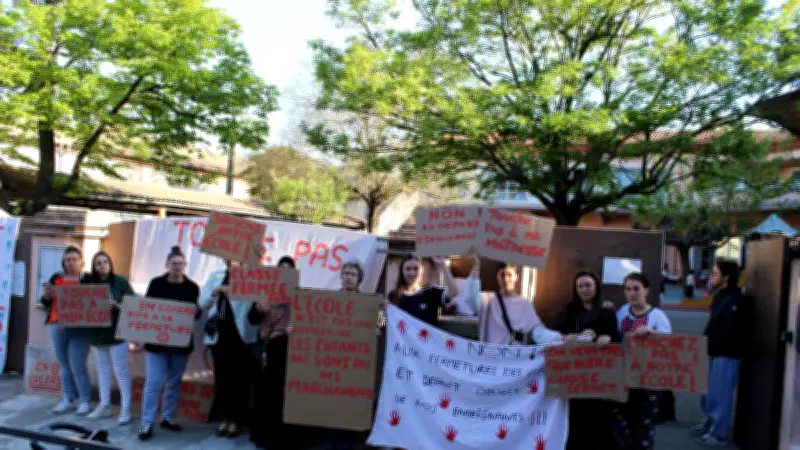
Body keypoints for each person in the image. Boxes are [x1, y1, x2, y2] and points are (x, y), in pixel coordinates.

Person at [139, 246, 201, 441]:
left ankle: (167, 417)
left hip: (180, 345)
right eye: (174, 264)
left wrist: (195, 311)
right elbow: (147, 309)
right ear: (167, 265)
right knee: (154, 382)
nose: (177, 267)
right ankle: (146, 422)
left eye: (180, 264)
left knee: (173, 382)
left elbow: (195, 313)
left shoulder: (192, 287)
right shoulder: (156, 283)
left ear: (185, 266)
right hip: (156, 345)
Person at [557, 270, 621, 450]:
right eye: (580, 286)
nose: (584, 289)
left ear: (596, 287)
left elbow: (616, 340)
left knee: (600, 423)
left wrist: (608, 338)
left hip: (600, 380)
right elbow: (559, 334)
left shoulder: (607, 311)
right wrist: (571, 337)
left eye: (588, 285)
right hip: (576, 378)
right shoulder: (571, 311)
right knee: (576, 423)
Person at [613, 272, 672, 450]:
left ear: (646, 290)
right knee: (621, 430)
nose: (632, 293)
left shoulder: (658, 316)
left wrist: (654, 335)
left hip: (648, 384)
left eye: (636, 288)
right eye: (628, 289)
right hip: (624, 380)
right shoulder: (621, 312)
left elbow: (671, 348)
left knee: (643, 430)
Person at [201, 260, 259, 439]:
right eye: (228, 256)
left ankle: (235, 421)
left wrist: (230, 291)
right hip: (219, 337)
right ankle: (225, 418)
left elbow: (253, 299)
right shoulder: (215, 276)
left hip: (240, 337)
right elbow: (203, 303)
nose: (231, 259)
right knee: (222, 380)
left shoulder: (251, 276)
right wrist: (216, 291)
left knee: (239, 381)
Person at [693, 261, 748, 447]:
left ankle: (719, 433)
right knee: (708, 393)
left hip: (727, 353)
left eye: (715, 273)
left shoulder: (735, 299)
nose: (711, 277)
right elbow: (713, 325)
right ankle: (710, 422)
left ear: (726, 277)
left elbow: (730, 330)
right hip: (713, 351)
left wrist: (712, 344)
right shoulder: (720, 297)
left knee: (721, 395)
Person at [460, 251, 563, 345]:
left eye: (509, 275)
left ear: (516, 276)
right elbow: (471, 299)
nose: (505, 279)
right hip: (491, 357)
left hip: (513, 359)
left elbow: (537, 332)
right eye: (502, 275)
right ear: (497, 276)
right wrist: (475, 268)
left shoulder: (525, 304)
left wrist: (560, 339)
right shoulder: (488, 299)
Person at [249, 255, 296, 449]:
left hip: (284, 347)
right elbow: (251, 319)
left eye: (288, 268)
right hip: (264, 349)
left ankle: (278, 437)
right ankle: (262, 435)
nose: (284, 271)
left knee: (279, 395)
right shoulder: (264, 291)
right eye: (281, 267)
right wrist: (259, 310)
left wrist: (296, 327)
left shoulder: (297, 294)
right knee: (263, 394)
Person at [82, 251, 135, 424]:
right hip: (98, 334)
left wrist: (117, 305)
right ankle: (104, 405)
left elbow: (134, 305)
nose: (102, 265)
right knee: (103, 371)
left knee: (121, 371)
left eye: (105, 261)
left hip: (118, 333)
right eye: (98, 263)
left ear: (110, 263)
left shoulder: (120, 282)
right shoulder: (90, 283)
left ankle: (126, 407)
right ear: (94, 266)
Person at [40, 246, 93, 415]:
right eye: (67, 259)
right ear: (63, 261)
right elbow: (45, 302)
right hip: (57, 325)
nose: (70, 262)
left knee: (78, 365)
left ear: (81, 261)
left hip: (80, 329)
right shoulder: (56, 278)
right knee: (64, 365)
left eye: (74, 259)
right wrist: (47, 296)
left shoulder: (88, 279)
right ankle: (67, 399)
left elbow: (94, 301)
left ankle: (85, 401)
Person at [324, 260, 365, 450]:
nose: (349, 277)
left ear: (359, 280)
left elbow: (379, 324)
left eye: (353, 274)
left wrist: (376, 332)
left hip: (355, 365)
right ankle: (330, 442)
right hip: (333, 362)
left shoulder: (368, 304)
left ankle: (347, 443)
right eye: (346, 273)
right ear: (340, 277)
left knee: (349, 404)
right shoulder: (329, 300)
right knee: (331, 404)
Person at [386, 254, 459, 328]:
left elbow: (453, 292)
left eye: (416, 268)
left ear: (421, 270)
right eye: (408, 269)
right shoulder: (393, 295)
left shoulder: (432, 292)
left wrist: (441, 265)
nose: (412, 273)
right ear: (402, 271)